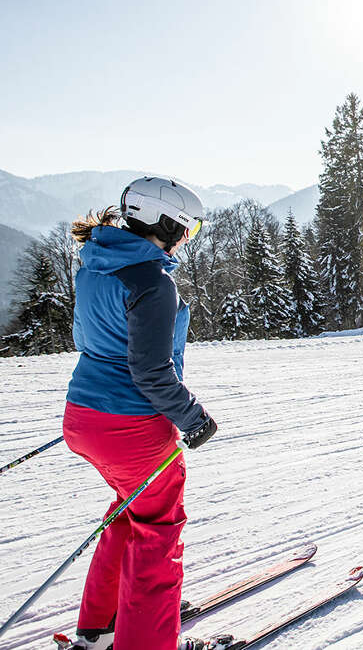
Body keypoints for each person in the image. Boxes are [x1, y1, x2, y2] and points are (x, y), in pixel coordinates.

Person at [62, 176, 217, 650]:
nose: (184, 242)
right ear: (166, 223)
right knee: (158, 533)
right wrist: (193, 418)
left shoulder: (94, 264)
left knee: (128, 513)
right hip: (132, 427)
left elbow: (86, 340)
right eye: (186, 231)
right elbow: (151, 372)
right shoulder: (153, 282)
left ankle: (100, 626)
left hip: (82, 416)